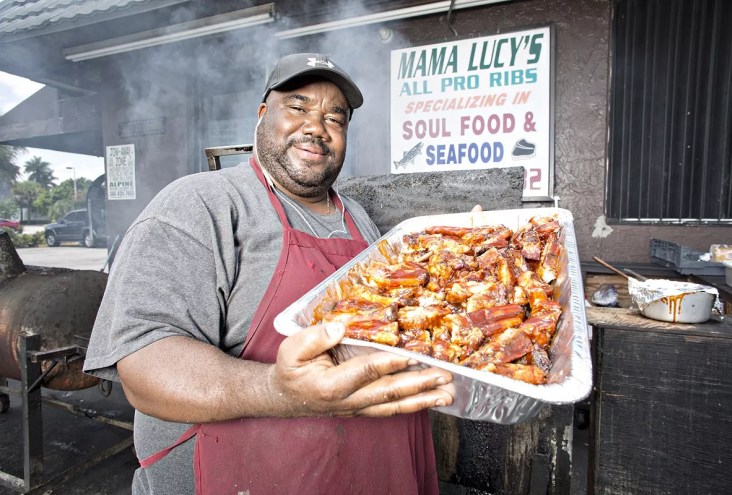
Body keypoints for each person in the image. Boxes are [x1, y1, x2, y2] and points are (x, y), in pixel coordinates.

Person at [83, 53, 454, 495]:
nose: (317, 127)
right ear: (263, 115)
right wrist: (279, 391)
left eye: (335, 118)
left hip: (376, 472)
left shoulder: (357, 217)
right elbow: (145, 366)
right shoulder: (201, 204)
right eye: (298, 107)